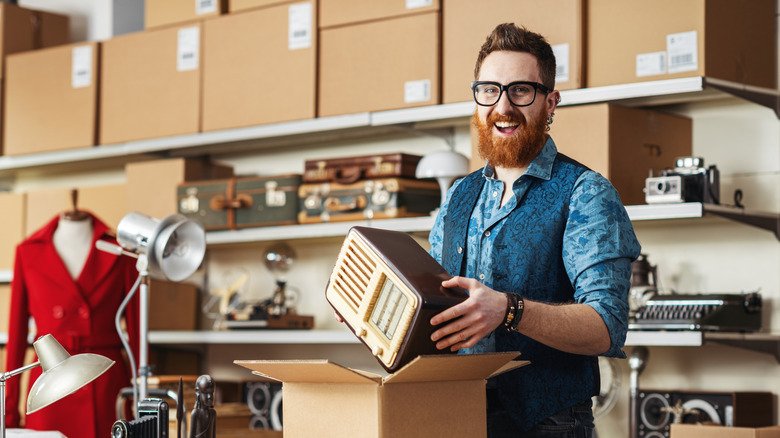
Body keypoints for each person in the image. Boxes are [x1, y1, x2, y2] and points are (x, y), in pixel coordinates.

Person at [427, 23, 641, 437]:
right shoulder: (458, 195)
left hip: (550, 423)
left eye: (520, 91)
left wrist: (510, 310)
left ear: (551, 102)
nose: (502, 106)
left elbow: (606, 326)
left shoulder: (585, 192)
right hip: (456, 415)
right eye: (489, 90)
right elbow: (436, 304)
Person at [5, 210, 139, 438]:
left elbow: (137, 335)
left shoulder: (119, 250)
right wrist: (9, 412)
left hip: (103, 377)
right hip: (49, 378)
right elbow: (16, 336)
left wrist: (141, 402)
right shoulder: (27, 251)